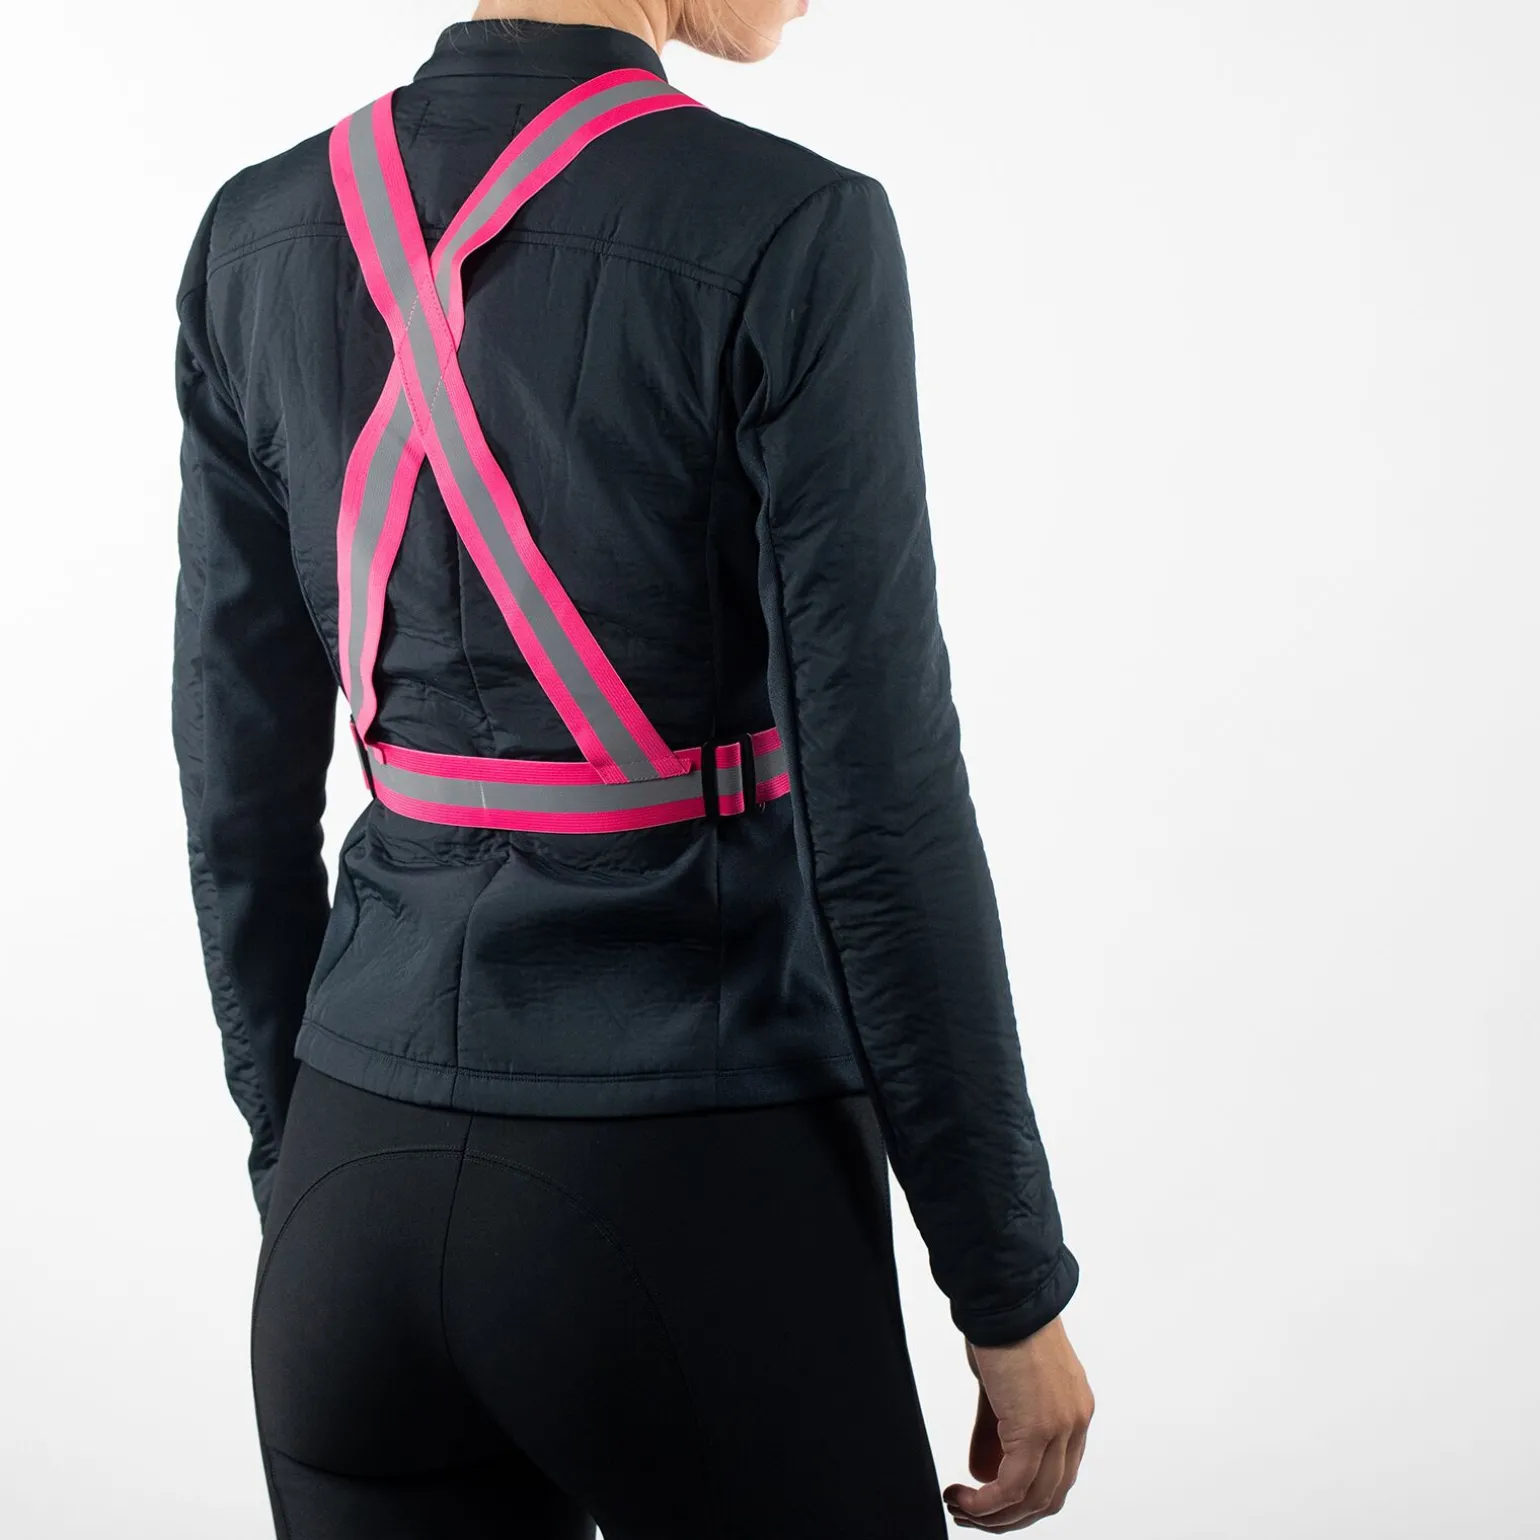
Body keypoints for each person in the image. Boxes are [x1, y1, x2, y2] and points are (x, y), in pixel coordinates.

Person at [170, 0, 1094, 1534]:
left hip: (349, 1200)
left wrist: (305, 1161)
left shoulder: (252, 236)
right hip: (693, 1186)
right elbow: (884, 808)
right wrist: (1006, 1280)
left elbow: (233, 788)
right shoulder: (792, 227)